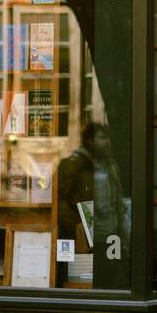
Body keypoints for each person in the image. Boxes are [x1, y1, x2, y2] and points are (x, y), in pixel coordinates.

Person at [57, 123, 131, 287]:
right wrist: (80, 227)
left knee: (110, 281)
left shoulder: (111, 166)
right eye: (102, 137)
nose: (107, 142)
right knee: (85, 282)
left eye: (108, 137)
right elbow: (60, 204)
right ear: (90, 140)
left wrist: (123, 237)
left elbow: (118, 203)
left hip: (111, 237)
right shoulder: (74, 165)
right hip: (87, 240)